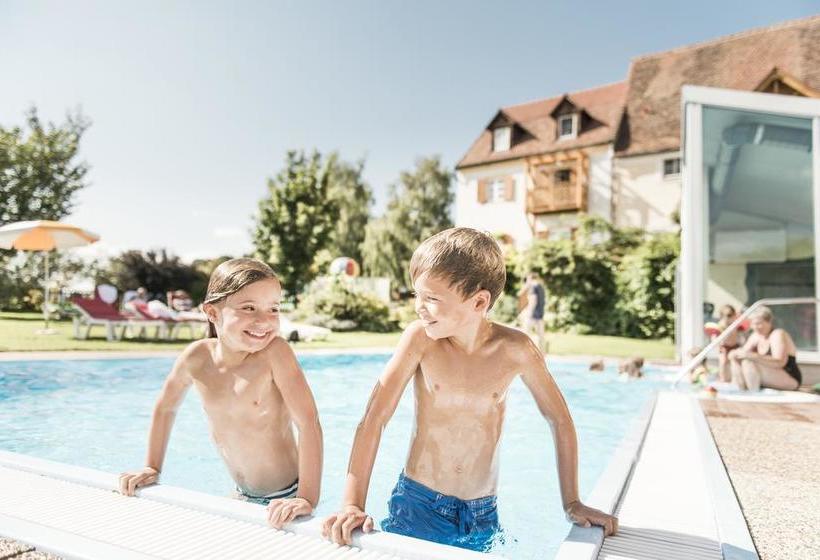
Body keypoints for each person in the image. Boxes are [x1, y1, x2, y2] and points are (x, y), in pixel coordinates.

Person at [322, 228, 617, 551]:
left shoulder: (516, 349)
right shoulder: (420, 340)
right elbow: (373, 419)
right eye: (417, 295)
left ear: (479, 301)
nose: (419, 307)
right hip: (419, 504)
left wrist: (572, 502)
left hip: (481, 512)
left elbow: (559, 420)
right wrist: (352, 504)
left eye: (431, 299)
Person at [119, 258, 323, 529]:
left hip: (285, 498)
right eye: (248, 308)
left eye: (273, 309)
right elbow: (165, 408)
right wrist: (152, 467)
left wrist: (306, 498)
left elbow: (308, 423)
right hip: (242, 494)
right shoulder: (196, 357)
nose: (263, 320)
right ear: (212, 312)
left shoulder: (275, 353)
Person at [728, 306, 801, 391]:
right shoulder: (756, 336)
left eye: (759, 323)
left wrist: (751, 356)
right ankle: (740, 390)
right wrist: (734, 354)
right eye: (753, 324)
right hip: (770, 375)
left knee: (748, 362)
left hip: (790, 378)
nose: (755, 327)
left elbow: (780, 362)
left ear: (769, 322)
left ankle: (753, 394)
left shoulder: (777, 334)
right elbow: (743, 353)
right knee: (736, 359)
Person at [517, 272, 547, 352]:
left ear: (530, 278)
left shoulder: (533, 287)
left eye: (527, 279)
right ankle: (542, 353)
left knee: (525, 334)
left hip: (532, 315)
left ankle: (524, 352)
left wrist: (529, 313)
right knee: (541, 336)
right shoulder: (541, 287)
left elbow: (533, 300)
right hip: (540, 315)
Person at [713, 305, 742, 382]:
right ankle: (723, 379)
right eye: (727, 315)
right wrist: (718, 346)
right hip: (724, 347)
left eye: (731, 315)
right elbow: (714, 337)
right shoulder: (720, 325)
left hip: (735, 346)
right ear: (721, 316)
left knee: (737, 361)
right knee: (723, 361)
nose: (729, 318)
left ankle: (737, 378)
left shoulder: (735, 324)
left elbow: (742, 333)